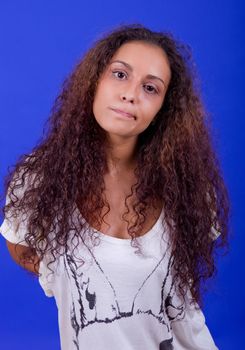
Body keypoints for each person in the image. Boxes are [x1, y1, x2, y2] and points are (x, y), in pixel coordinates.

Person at [0, 24, 229, 350]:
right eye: (120, 75)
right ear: (95, 81)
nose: (131, 93)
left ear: (163, 109)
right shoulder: (38, 181)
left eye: (150, 88)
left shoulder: (186, 191)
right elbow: (22, 247)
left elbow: (183, 307)